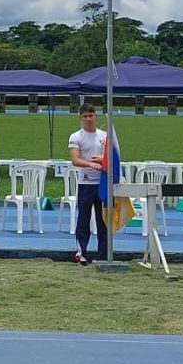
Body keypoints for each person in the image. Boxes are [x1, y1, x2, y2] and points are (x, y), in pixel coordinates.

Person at [68, 103, 106, 265]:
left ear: (96, 116)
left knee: (103, 220)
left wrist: (102, 161)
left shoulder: (104, 136)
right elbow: (75, 159)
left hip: (102, 183)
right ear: (80, 117)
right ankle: (81, 253)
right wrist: (91, 164)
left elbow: (112, 157)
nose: (89, 119)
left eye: (91, 116)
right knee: (84, 219)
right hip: (86, 183)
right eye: (85, 116)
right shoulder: (76, 137)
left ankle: (103, 254)